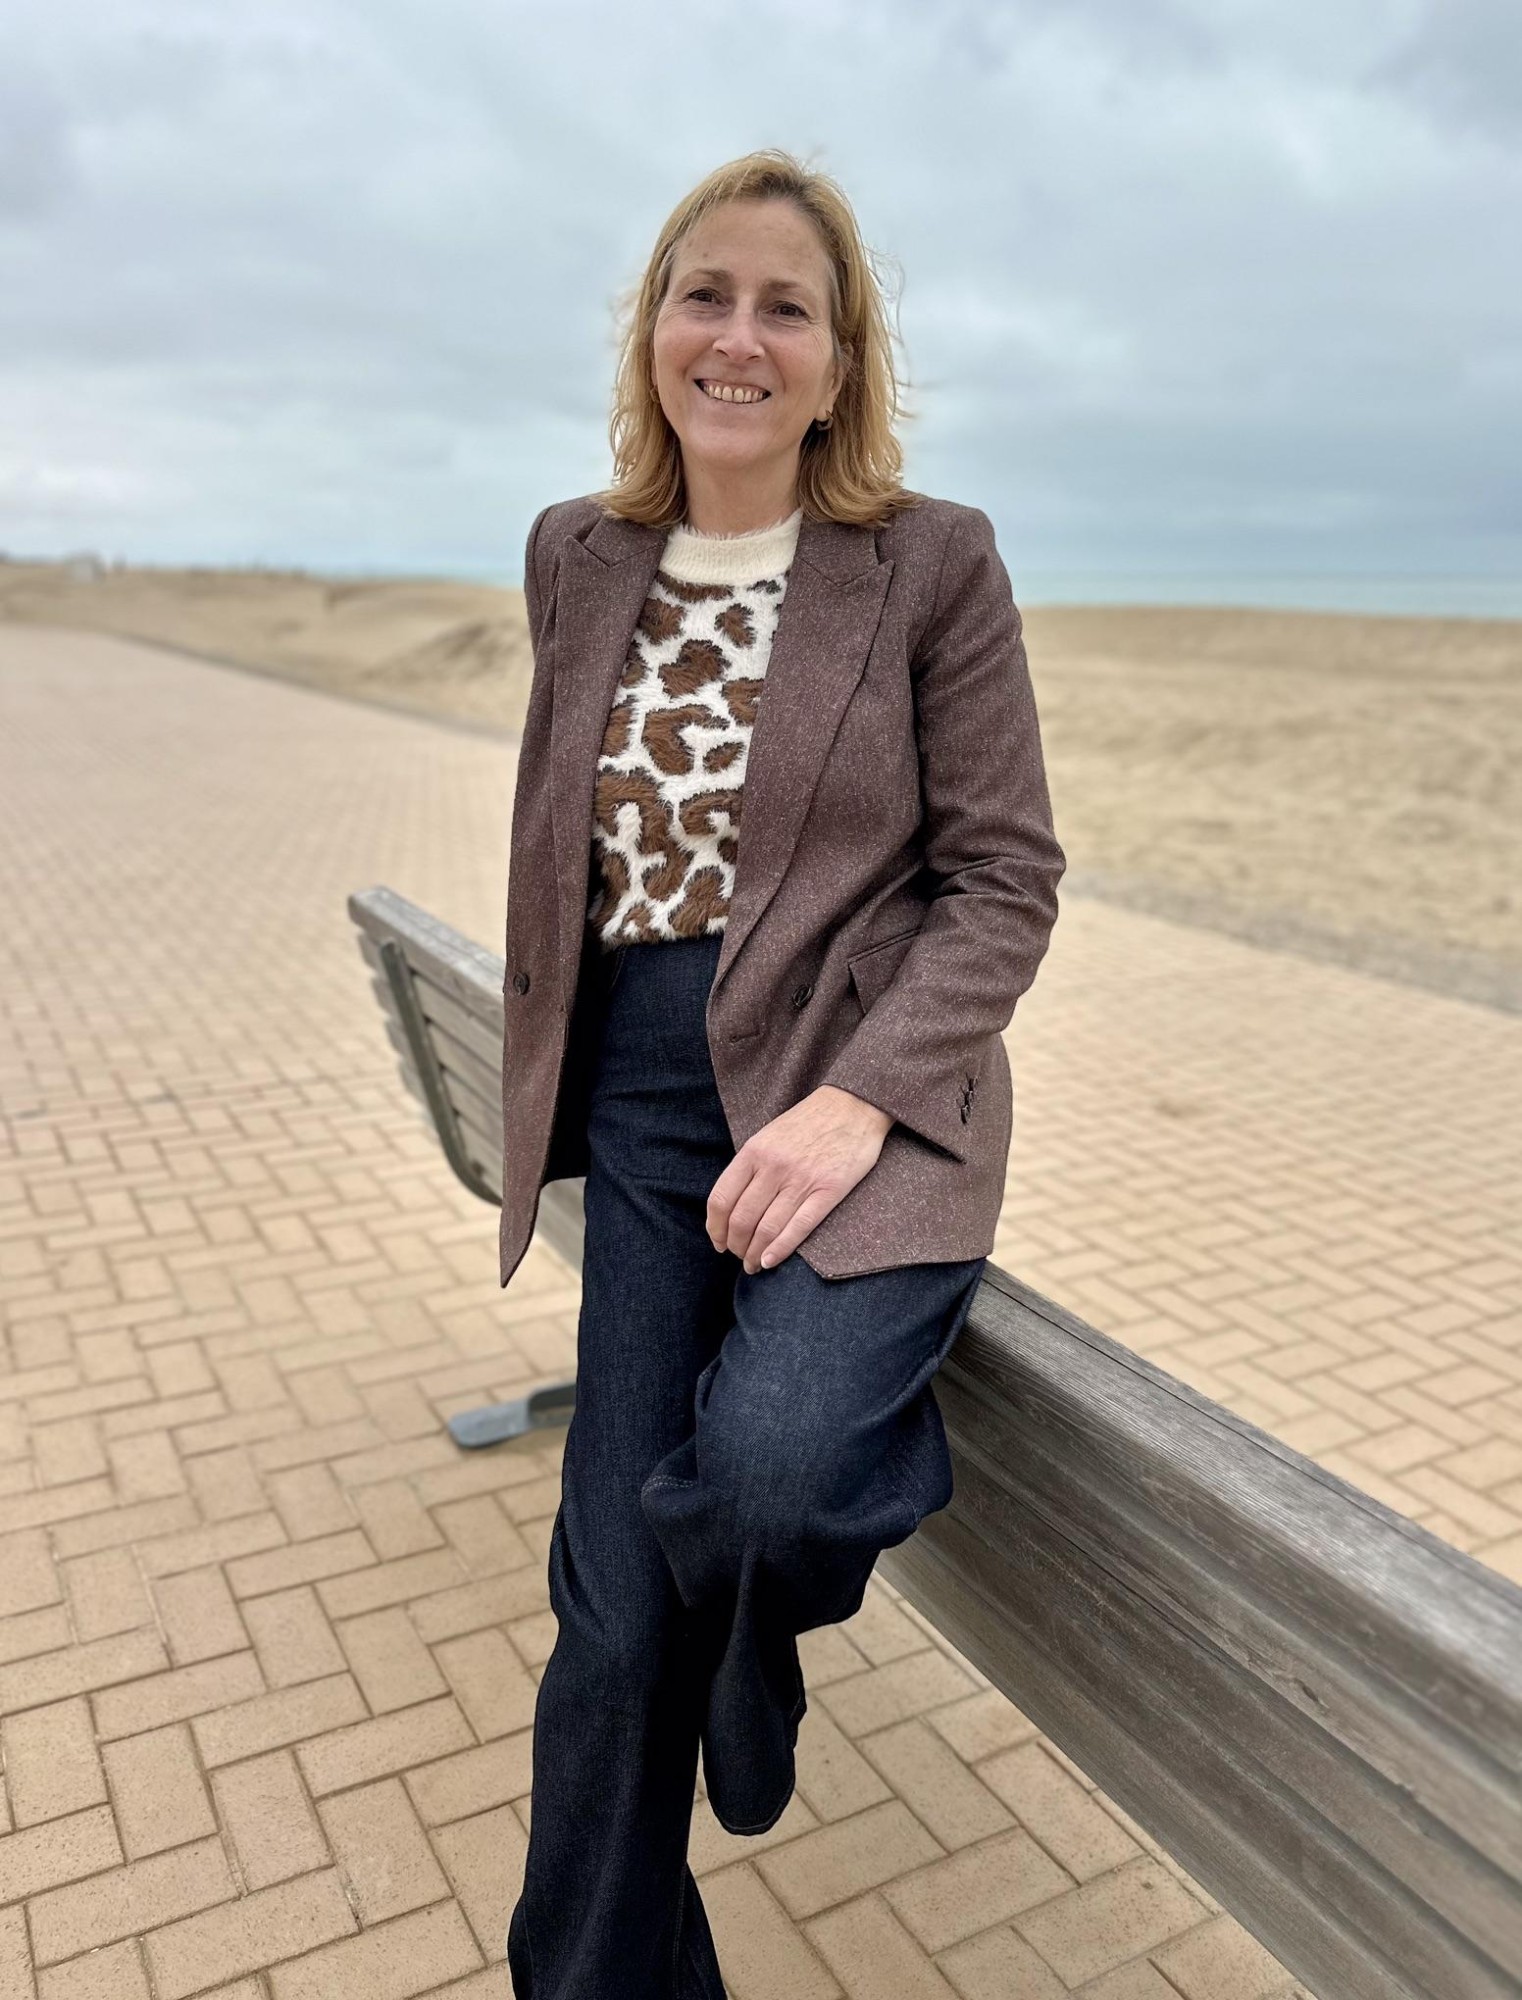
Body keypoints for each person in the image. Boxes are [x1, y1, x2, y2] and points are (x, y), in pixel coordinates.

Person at [500, 146, 1066, 2000]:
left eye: (785, 308)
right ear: (653, 331)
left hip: (859, 1098)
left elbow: (1005, 877)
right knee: (606, 1627)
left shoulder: (930, 560)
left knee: (766, 1485)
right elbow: (566, 845)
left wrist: (857, 1099)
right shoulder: (575, 553)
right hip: (646, 1115)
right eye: (704, 295)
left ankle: (742, 1667)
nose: (737, 337)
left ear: (839, 363)